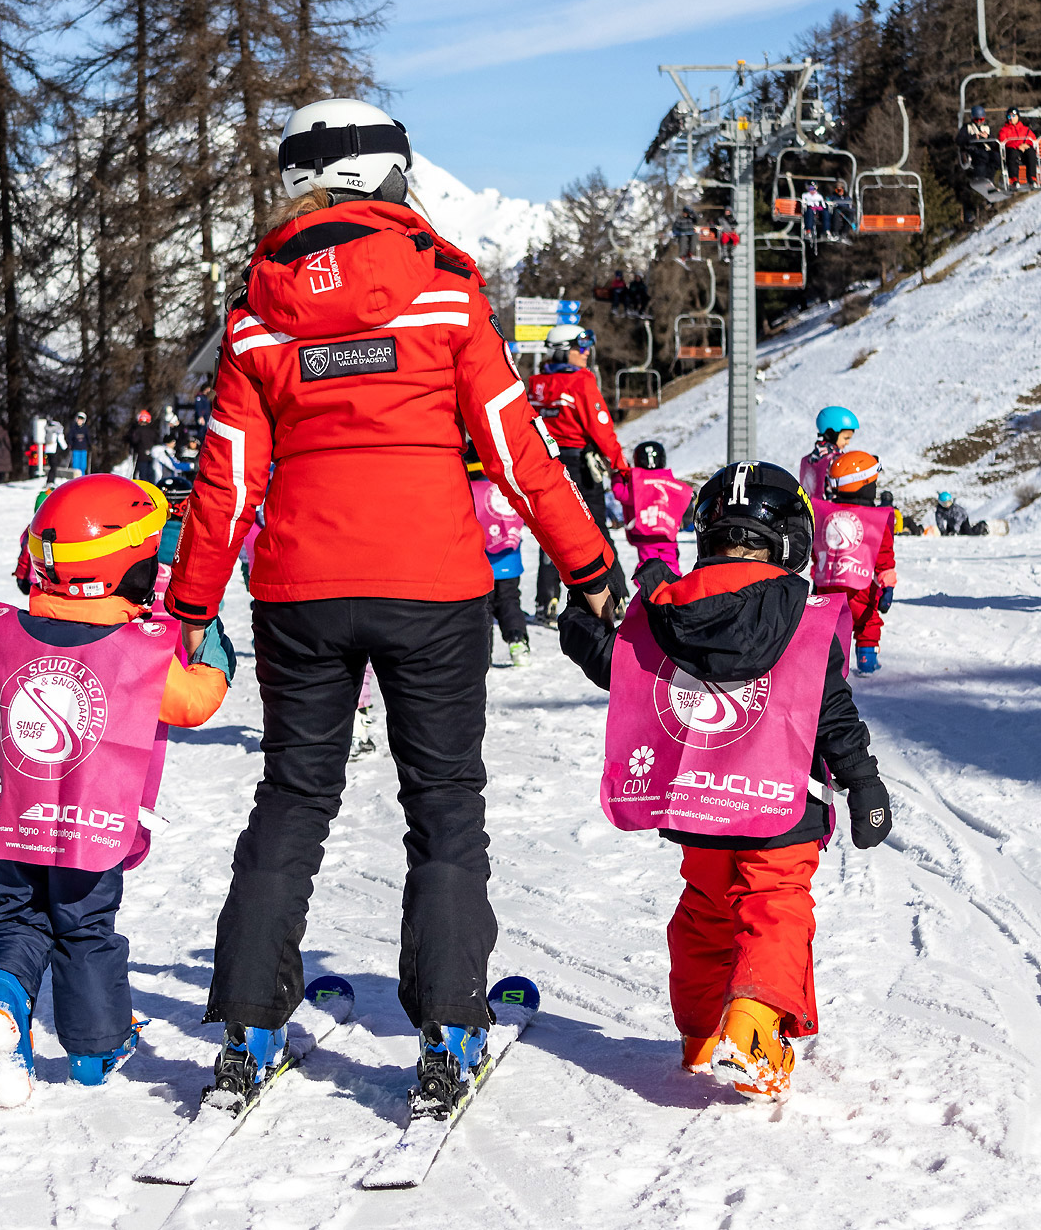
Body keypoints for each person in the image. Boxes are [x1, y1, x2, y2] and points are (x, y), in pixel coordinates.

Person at [164, 98, 614, 1117]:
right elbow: (515, 451)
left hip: (298, 591)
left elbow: (225, 475)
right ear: (383, 179)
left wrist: (190, 601)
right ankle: (448, 1030)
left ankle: (246, 1026)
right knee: (444, 803)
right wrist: (588, 568)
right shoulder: (448, 295)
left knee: (292, 797)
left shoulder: (256, 312)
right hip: (433, 585)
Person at [558, 461, 892, 1100]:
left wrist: (580, 623)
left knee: (706, 915)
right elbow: (831, 711)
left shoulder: (668, 606)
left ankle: (702, 1034)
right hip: (783, 804)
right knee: (774, 907)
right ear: (792, 538)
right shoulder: (808, 612)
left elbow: (619, 667)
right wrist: (862, 782)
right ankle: (755, 1029)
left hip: (700, 805)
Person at [0, 474, 235, 1107]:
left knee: (15, 920)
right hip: (90, 830)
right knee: (85, 929)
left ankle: (1, 1004)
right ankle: (95, 1050)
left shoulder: (3, 634)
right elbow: (194, 702)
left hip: (9, 825)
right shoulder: (137, 651)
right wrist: (211, 644)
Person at [528, 323, 630, 624]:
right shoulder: (581, 382)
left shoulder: (535, 383)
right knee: (596, 530)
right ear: (564, 350)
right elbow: (601, 429)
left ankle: (546, 599)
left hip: (545, 462)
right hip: (578, 465)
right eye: (580, 348)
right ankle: (616, 596)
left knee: (550, 530)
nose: (586, 354)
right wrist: (619, 467)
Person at [810, 449, 896, 674]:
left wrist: (816, 579)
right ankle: (867, 661)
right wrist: (887, 587)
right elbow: (884, 557)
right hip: (862, 585)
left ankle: (832, 665)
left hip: (828, 585)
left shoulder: (823, 513)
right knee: (868, 620)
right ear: (864, 484)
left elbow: (816, 549)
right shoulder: (876, 519)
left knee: (832, 625)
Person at [466, 447, 530, 664]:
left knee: (484, 609)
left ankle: (485, 653)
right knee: (510, 602)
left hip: (481, 564)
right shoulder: (502, 489)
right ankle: (518, 641)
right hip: (510, 562)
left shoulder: (467, 491)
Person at [611, 440, 693, 578]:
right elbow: (684, 496)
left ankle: (649, 592)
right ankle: (673, 589)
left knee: (647, 566)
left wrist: (617, 477)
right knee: (671, 563)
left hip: (645, 535)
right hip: (667, 536)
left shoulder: (636, 484)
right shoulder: (669, 482)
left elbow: (620, 493)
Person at [797, 406, 859, 501]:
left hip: (810, 512)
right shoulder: (836, 460)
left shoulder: (807, 460)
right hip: (830, 513)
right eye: (846, 438)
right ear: (831, 433)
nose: (848, 443)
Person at [999, 108, 1039, 188]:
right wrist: (1018, 146)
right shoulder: (1004, 130)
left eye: (1013, 116)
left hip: (1024, 152)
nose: (1012, 118)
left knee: (1031, 153)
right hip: (1012, 151)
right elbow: (1003, 141)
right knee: (1013, 154)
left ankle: (1032, 179)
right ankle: (1014, 179)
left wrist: (1026, 145)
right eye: (1009, 117)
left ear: (1018, 117)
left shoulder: (1025, 129)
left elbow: (1033, 139)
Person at [961, 105, 1001, 182]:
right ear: (973, 118)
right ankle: (979, 178)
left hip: (986, 150)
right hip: (973, 150)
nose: (979, 121)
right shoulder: (967, 127)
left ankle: (989, 179)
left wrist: (987, 137)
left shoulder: (986, 128)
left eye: (981, 119)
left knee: (996, 157)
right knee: (983, 156)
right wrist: (974, 137)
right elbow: (960, 140)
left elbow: (993, 144)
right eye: (977, 120)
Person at [127, 409, 158, 482]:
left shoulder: (138, 430)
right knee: (150, 476)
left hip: (141, 456)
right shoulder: (152, 431)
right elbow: (156, 441)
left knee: (142, 476)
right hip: (150, 457)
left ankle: (144, 491)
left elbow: (134, 440)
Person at [67, 411, 91, 476]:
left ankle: (82, 477)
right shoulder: (73, 428)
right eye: (79, 419)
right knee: (76, 465)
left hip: (83, 449)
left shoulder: (85, 429)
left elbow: (88, 437)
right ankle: (76, 478)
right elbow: (70, 437)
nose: (79, 421)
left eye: (81, 420)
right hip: (76, 448)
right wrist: (70, 444)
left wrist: (90, 445)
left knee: (83, 465)